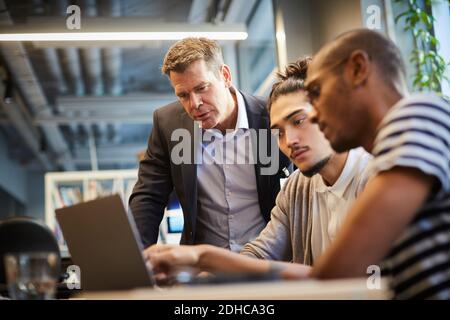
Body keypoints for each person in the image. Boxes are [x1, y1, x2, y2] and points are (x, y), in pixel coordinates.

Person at [143, 58, 372, 281]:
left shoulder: (377, 178)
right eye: (279, 132)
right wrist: (203, 275)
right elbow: (260, 254)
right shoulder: (296, 187)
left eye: (299, 121)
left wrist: (203, 257)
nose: (289, 141)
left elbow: (347, 277)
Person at [304, 29, 450, 299]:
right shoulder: (385, 160)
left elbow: (338, 271)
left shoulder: (417, 116)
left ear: (358, 68)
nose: (312, 115)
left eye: (316, 91)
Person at [129, 37, 290, 251]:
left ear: (225, 76)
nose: (194, 104)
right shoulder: (170, 126)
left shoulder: (270, 118)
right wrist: (137, 261)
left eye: (202, 88)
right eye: (183, 95)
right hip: (203, 268)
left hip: (269, 261)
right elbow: (148, 197)